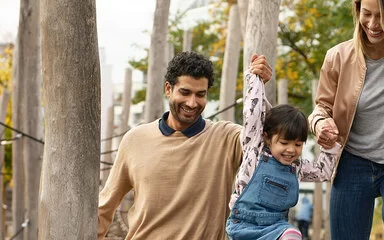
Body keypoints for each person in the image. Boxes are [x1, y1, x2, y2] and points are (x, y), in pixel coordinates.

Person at [97, 51, 272, 240]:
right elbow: (104, 207)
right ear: (168, 89)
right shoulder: (135, 139)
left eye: (200, 94)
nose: (192, 102)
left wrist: (258, 89)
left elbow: (268, 139)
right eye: (185, 92)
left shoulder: (227, 138)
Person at [226, 70, 341, 240]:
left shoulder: (297, 167)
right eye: (284, 143)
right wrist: (256, 79)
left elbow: (323, 171)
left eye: (298, 144)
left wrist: (330, 146)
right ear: (267, 137)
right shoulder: (254, 151)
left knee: (292, 235)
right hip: (243, 225)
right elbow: (253, 113)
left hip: (276, 227)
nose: (291, 150)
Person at [308, 0, 384, 239]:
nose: (373, 24)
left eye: (381, 15)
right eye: (367, 14)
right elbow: (321, 108)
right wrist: (320, 124)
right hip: (353, 162)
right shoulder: (337, 57)